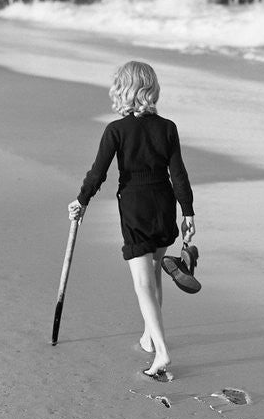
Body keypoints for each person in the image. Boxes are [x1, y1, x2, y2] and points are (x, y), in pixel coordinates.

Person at [68, 60, 195, 380]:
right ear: (151, 89)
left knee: (142, 283)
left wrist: (81, 201)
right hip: (164, 205)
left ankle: (162, 351)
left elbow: (98, 173)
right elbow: (178, 175)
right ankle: (150, 338)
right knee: (154, 275)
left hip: (136, 207)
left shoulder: (116, 130)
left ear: (122, 90)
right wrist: (188, 212)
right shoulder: (167, 128)